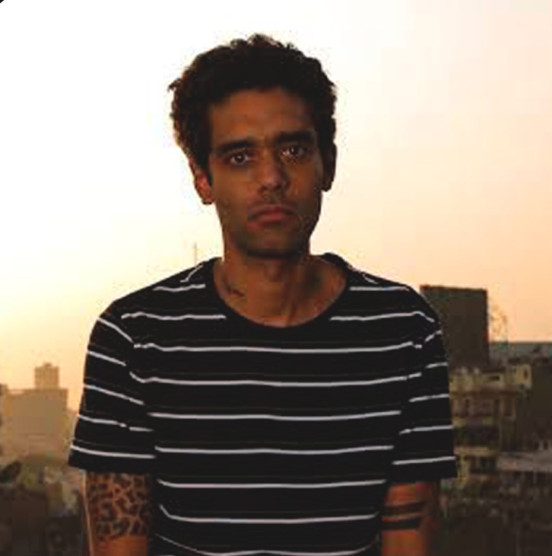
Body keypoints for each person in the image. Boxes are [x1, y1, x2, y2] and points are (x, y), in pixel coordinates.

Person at [68, 34, 457, 556]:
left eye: (293, 150)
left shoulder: (402, 329)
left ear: (328, 164)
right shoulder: (134, 338)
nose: (272, 178)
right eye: (240, 157)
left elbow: (408, 543)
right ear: (203, 180)